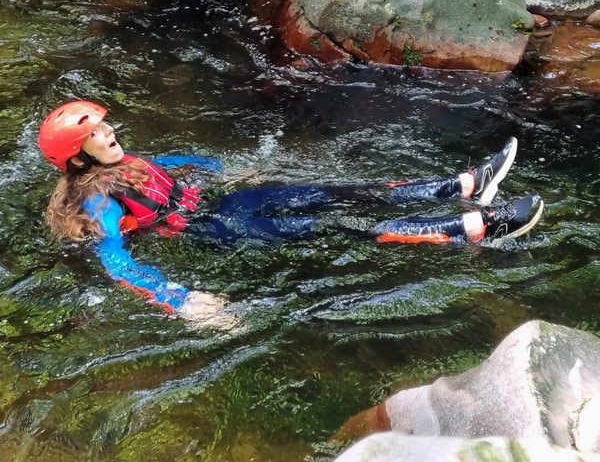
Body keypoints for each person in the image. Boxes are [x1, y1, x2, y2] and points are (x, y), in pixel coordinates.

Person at [38, 101, 544, 323]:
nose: (109, 132)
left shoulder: (124, 160)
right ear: (79, 157)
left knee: (335, 192)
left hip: (227, 203)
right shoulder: (96, 200)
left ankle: (463, 185)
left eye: (103, 127)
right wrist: (179, 299)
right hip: (217, 228)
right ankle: (472, 228)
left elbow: (174, 165)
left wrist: (222, 170)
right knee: (334, 225)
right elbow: (116, 261)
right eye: (96, 134)